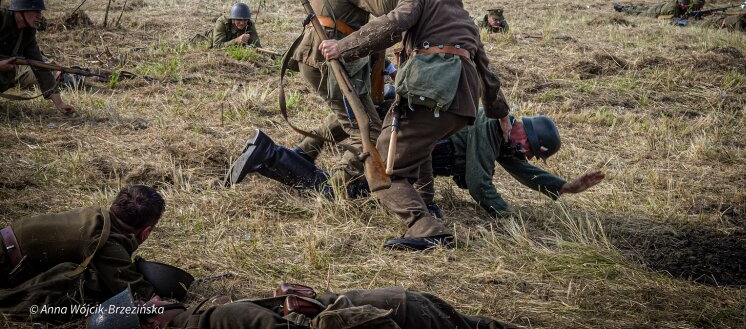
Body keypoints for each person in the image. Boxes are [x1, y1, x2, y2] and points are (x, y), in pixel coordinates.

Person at [318, 0, 510, 250]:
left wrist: (343, 46)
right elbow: (488, 77)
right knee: (419, 149)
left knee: (381, 168)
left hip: (428, 95)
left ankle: (424, 226)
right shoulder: (469, 24)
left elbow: (393, 23)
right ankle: (428, 204)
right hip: (461, 109)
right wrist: (501, 114)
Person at [289, 0, 411, 194]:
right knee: (366, 129)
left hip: (320, 57)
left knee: (353, 117)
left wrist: (386, 66)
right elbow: (382, 6)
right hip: (329, 61)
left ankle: (302, 153)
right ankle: (335, 189)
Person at [0, 185, 166, 320]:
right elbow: (136, 291)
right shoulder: (104, 239)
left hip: (7, 250)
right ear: (145, 233)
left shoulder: (94, 217)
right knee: (79, 282)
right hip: (5, 265)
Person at [424, 109, 604, 217]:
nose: (529, 156)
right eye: (531, 150)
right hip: (409, 152)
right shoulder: (490, 125)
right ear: (525, 134)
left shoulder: (505, 136)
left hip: (421, 162)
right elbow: (478, 183)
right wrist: (506, 213)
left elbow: (524, 171)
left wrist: (565, 187)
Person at [90, 285, 522, 329]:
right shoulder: (221, 318)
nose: (153, 300)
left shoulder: (214, 317)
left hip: (389, 311)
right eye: (144, 306)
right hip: (391, 311)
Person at [0, 0, 75, 114]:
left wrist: (60, 104)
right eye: (35, 11)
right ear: (20, 11)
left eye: (40, 11)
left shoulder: (27, 32)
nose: (39, 15)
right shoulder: (1, 20)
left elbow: (40, 67)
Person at [613, 0, 691, 18]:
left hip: (656, 7)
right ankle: (621, 9)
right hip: (653, 13)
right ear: (680, 2)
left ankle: (622, 6)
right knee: (636, 12)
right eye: (684, 4)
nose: (685, 6)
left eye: (686, 5)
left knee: (638, 8)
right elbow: (673, 19)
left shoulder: (675, 2)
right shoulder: (673, 8)